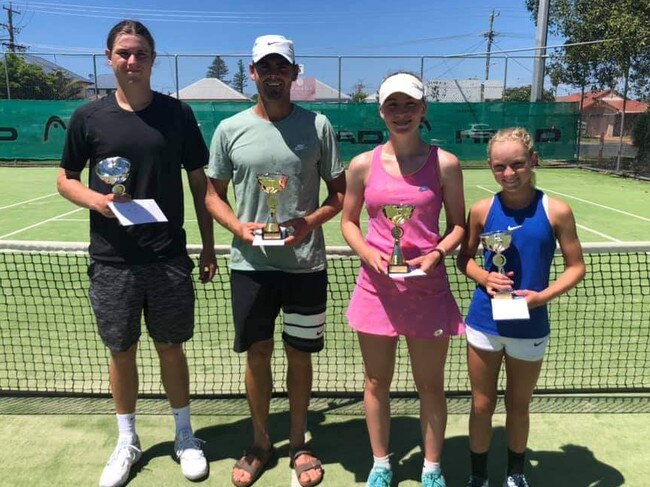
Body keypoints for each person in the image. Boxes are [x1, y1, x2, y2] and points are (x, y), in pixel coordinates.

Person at [57, 19, 216, 487]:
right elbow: (65, 177)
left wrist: (207, 245)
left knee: (171, 347)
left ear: (152, 59)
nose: (132, 61)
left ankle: (185, 436)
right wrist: (96, 201)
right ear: (109, 58)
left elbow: (198, 181)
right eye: (123, 53)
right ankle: (127, 440)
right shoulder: (88, 117)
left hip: (167, 257)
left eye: (140, 53)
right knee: (121, 351)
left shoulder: (178, 115)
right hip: (111, 260)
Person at [205, 34, 346, 487]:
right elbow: (212, 195)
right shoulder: (229, 130)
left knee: (299, 357)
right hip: (250, 267)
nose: (272, 75)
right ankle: (261, 442)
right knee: (258, 354)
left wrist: (309, 222)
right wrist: (238, 229)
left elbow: (339, 194)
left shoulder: (318, 125)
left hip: (305, 266)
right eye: (264, 67)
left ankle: (300, 442)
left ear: (293, 73)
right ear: (252, 74)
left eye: (280, 67)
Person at [341, 72, 466, 487]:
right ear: (381, 111)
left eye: (409, 105)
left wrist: (437, 253)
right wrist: (367, 253)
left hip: (427, 290)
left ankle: (432, 468)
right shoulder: (361, 165)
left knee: (430, 384)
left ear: (423, 109)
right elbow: (348, 222)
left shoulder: (445, 164)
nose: (401, 113)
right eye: (392, 105)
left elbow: (459, 226)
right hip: (376, 289)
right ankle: (381, 463)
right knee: (377, 381)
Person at [457, 128, 586, 487]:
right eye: (499, 167)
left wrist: (540, 298)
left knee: (518, 405)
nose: (509, 174)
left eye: (517, 164)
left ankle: (515, 474)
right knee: (481, 404)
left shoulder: (557, 210)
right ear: (490, 167)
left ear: (533, 161)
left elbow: (577, 267)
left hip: (530, 327)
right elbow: (464, 259)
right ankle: (478, 476)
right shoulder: (482, 210)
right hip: (484, 323)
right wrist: (485, 278)